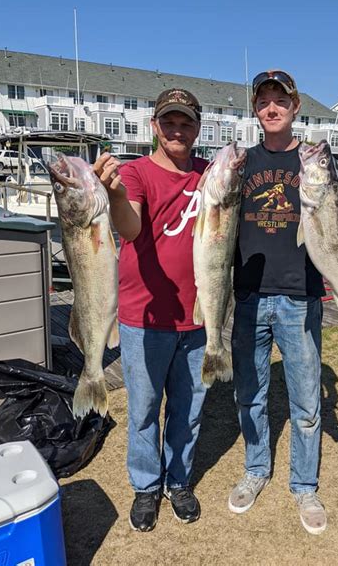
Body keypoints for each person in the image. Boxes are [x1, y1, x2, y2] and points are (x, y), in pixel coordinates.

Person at [93, 89, 208, 531]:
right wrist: (115, 196)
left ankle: (178, 480)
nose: (178, 130)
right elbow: (130, 225)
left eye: (186, 122)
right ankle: (146, 486)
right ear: (155, 126)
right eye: (169, 122)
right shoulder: (136, 173)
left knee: (189, 406)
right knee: (143, 408)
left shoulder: (210, 174)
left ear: (198, 128)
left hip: (199, 316)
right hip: (144, 318)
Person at [229, 70, 327, 535]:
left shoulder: (314, 161)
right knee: (250, 395)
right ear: (254, 109)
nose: (272, 108)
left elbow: (335, 225)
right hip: (249, 296)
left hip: (300, 298)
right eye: (264, 100)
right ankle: (255, 469)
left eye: (280, 101)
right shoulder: (239, 161)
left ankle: (305, 485)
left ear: (295, 107)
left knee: (306, 403)